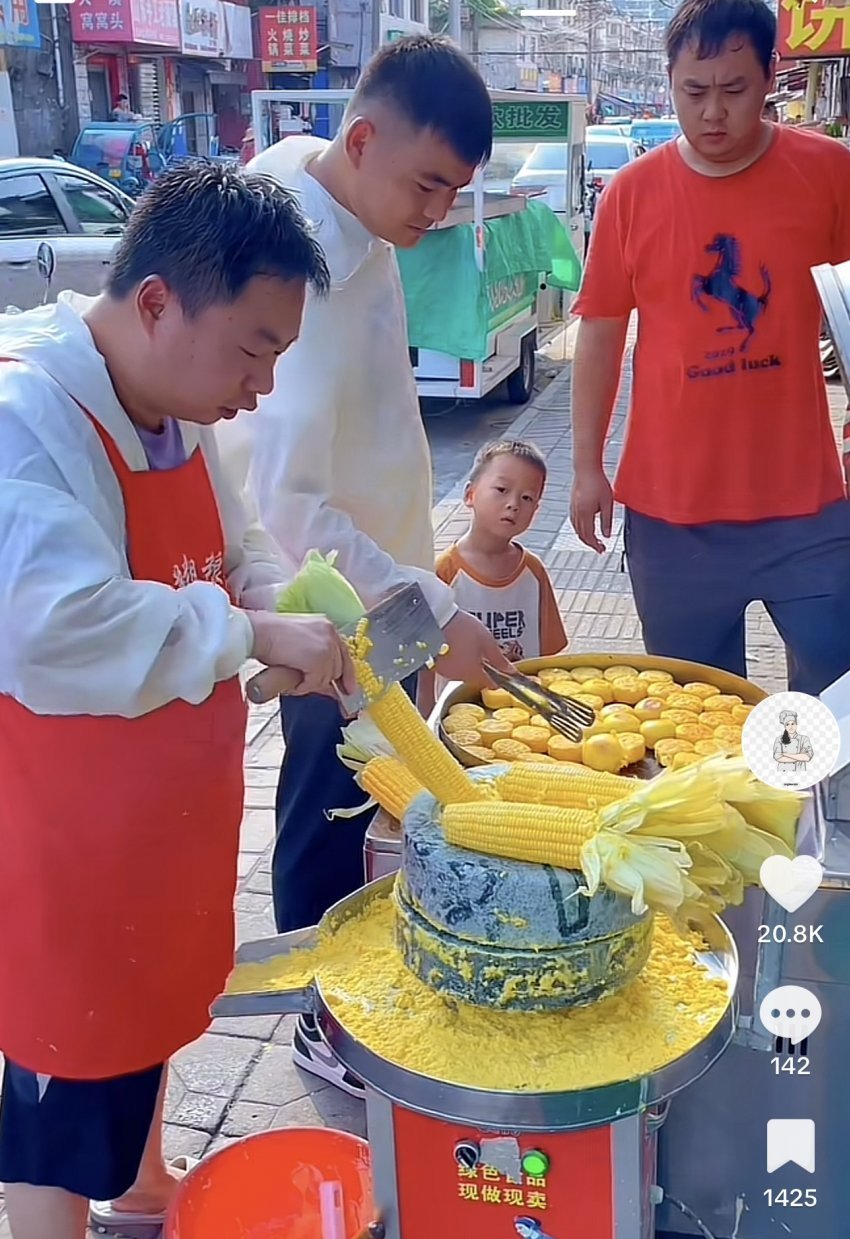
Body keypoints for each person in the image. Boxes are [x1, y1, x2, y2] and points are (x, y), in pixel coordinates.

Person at [0, 163, 352, 1239]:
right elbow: (59, 624)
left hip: (164, 818)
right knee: (54, 1111)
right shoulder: (29, 420)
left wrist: (280, 605)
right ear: (158, 303)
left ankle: (143, 1181)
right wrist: (252, 636)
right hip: (67, 840)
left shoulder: (178, 409)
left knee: (152, 1014)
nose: (260, 391)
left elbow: (238, 551)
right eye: (253, 351)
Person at [215, 36, 512, 1096]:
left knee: (384, 782)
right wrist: (431, 604)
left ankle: (368, 968)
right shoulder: (298, 264)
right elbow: (289, 502)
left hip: (386, 570)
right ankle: (314, 1012)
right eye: (426, 182)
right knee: (328, 795)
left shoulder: (349, 205)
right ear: (362, 138)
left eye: (453, 190)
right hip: (335, 592)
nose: (434, 210)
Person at [570, 0, 850, 698]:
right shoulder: (631, 194)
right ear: (669, 81)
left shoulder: (829, 174)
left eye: (735, 90)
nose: (713, 112)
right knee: (700, 714)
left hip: (806, 506)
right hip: (672, 516)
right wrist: (586, 466)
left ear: (771, 77)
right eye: (694, 92)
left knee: (831, 700)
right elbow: (601, 332)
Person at [420, 440, 568, 714]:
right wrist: (428, 719)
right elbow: (426, 665)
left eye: (527, 498)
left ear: (536, 511)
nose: (513, 504)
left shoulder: (533, 572)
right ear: (470, 495)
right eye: (501, 490)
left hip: (523, 714)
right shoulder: (444, 572)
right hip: (459, 714)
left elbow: (548, 659)